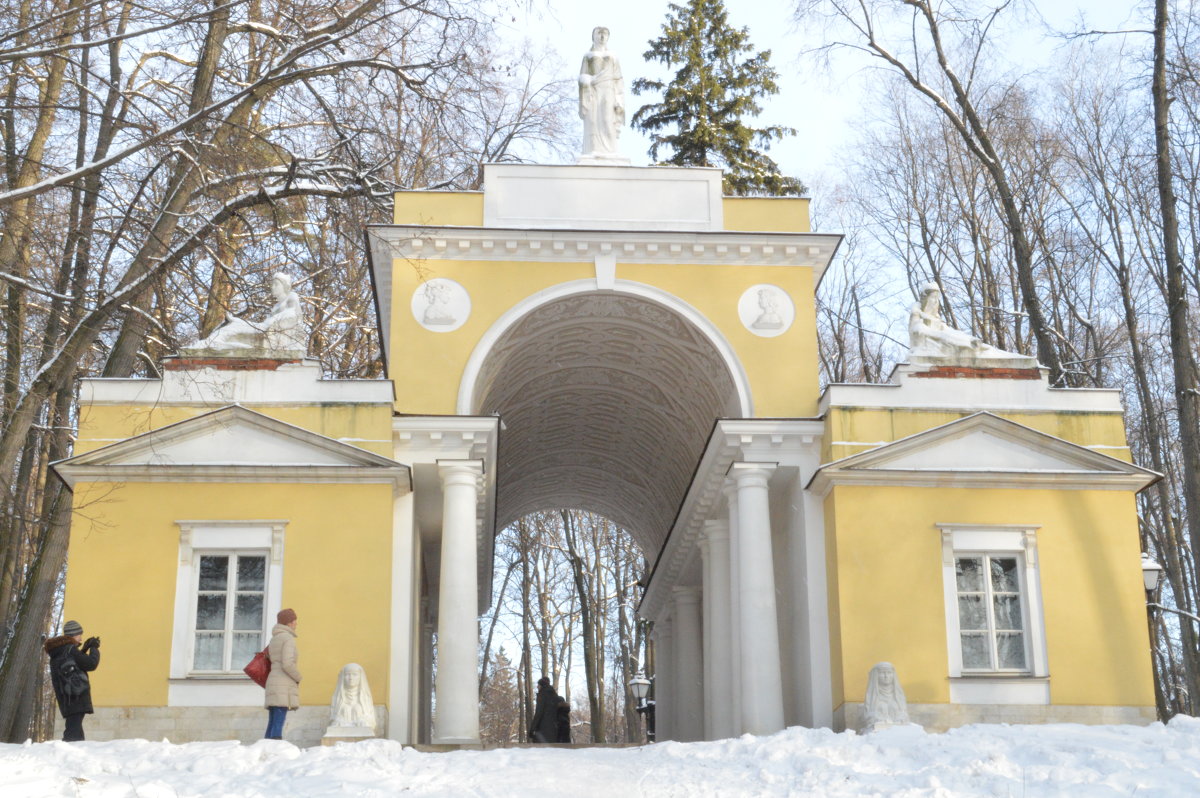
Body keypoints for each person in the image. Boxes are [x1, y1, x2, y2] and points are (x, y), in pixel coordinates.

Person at [195, 272, 305, 351]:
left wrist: (273, 322)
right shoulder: (276, 306)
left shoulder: (292, 297)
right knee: (234, 323)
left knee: (235, 326)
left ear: (285, 286)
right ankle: (212, 341)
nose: (272, 287)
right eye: (272, 284)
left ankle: (211, 342)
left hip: (268, 332)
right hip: (263, 328)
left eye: (276, 284)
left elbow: (294, 316)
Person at [44, 619, 101, 742]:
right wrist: (94, 648)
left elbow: (73, 664)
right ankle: (66, 754)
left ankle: (73, 755)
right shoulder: (70, 649)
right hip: (76, 694)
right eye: (79, 634)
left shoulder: (59, 651)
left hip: (67, 695)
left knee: (75, 728)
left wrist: (84, 649)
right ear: (74, 635)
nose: (81, 638)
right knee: (73, 732)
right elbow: (91, 664)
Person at [578, 27, 625, 159]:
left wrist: (619, 100)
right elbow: (582, 76)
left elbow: (618, 79)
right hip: (593, 90)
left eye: (605, 34)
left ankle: (611, 152)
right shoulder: (588, 56)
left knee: (607, 119)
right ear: (593, 36)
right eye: (598, 33)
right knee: (593, 120)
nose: (602, 36)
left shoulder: (613, 56)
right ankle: (593, 149)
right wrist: (588, 81)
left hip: (609, 90)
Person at [264, 608, 301, 740]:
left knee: (273, 721)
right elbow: (287, 664)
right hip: (283, 683)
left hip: (273, 680)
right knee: (278, 722)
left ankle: (266, 748)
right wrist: (298, 677)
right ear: (289, 623)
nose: (296, 624)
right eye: (295, 621)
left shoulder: (274, 639)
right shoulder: (288, 639)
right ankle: (275, 750)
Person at [863, 661, 910, 732]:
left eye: (889, 673)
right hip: (879, 730)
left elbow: (903, 714)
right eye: (882, 673)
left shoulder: (898, 693)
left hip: (899, 730)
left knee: (894, 706)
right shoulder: (872, 695)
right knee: (882, 706)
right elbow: (869, 716)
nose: (886, 676)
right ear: (876, 675)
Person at [329, 662, 375, 731]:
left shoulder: (365, 697)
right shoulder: (338, 697)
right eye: (347, 674)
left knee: (358, 708)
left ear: (360, 677)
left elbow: (370, 719)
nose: (351, 678)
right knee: (345, 708)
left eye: (354, 674)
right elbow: (333, 718)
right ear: (342, 677)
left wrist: (364, 720)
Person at [528, 676, 560, 743]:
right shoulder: (555, 696)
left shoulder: (542, 695)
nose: (537, 687)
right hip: (554, 731)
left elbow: (538, 713)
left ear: (542, 685)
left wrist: (532, 729)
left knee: (539, 750)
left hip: (543, 729)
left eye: (538, 685)